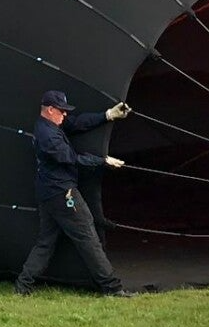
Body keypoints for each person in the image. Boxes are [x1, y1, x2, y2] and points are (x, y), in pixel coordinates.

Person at [14, 90, 132, 296]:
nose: (65, 115)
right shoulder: (49, 136)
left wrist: (107, 115)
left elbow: (77, 123)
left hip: (48, 193)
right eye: (62, 111)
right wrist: (103, 161)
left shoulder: (51, 125)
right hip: (63, 193)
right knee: (87, 236)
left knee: (46, 242)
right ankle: (112, 288)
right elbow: (72, 158)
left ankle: (22, 287)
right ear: (50, 110)